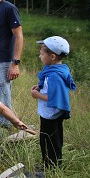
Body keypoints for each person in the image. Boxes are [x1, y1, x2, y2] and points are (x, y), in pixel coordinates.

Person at [31, 36, 76, 169]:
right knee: (50, 140)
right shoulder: (56, 70)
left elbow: (54, 98)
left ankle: (52, 167)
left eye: (42, 54)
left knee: (49, 142)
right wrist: (39, 87)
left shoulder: (55, 76)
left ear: (52, 57)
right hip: (51, 114)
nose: (39, 56)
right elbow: (50, 88)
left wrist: (37, 94)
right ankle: (49, 165)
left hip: (51, 114)